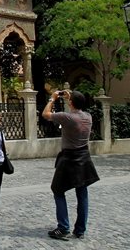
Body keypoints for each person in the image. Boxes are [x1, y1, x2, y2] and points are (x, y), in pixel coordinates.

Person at [42, 90, 100, 241]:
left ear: (71, 103)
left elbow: (45, 114)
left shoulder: (66, 117)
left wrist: (52, 98)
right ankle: (80, 229)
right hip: (84, 157)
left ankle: (63, 227)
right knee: (82, 193)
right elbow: (75, 111)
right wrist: (71, 98)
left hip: (69, 158)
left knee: (57, 189)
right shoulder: (88, 116)